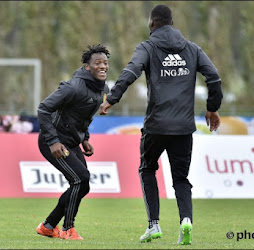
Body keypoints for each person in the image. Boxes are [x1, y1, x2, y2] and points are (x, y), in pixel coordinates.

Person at [99, 5, 223, 245]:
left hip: (156, 126)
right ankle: (186, 220)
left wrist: (111, 99)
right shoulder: (192, 49)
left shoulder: (147, 47)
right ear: (172, 22)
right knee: (181, 179)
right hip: (183, 128)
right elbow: (213, 76)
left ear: (152, 23)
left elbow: (131, 70)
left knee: (147, 169)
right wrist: (212, 107)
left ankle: (153, 224)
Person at [36, 44, 110, 240]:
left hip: (71, 142)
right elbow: (43, 109)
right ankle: (68, 229)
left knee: (82, 184)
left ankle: (48, 225)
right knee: (80, 179)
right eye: (97, 63)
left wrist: (85, 139)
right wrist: (52, 141)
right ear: (87, 67)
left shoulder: (102, 88)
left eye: (105, 63)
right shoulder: (73, 87)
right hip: (52, 141)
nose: (103, 66)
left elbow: (83, 117)